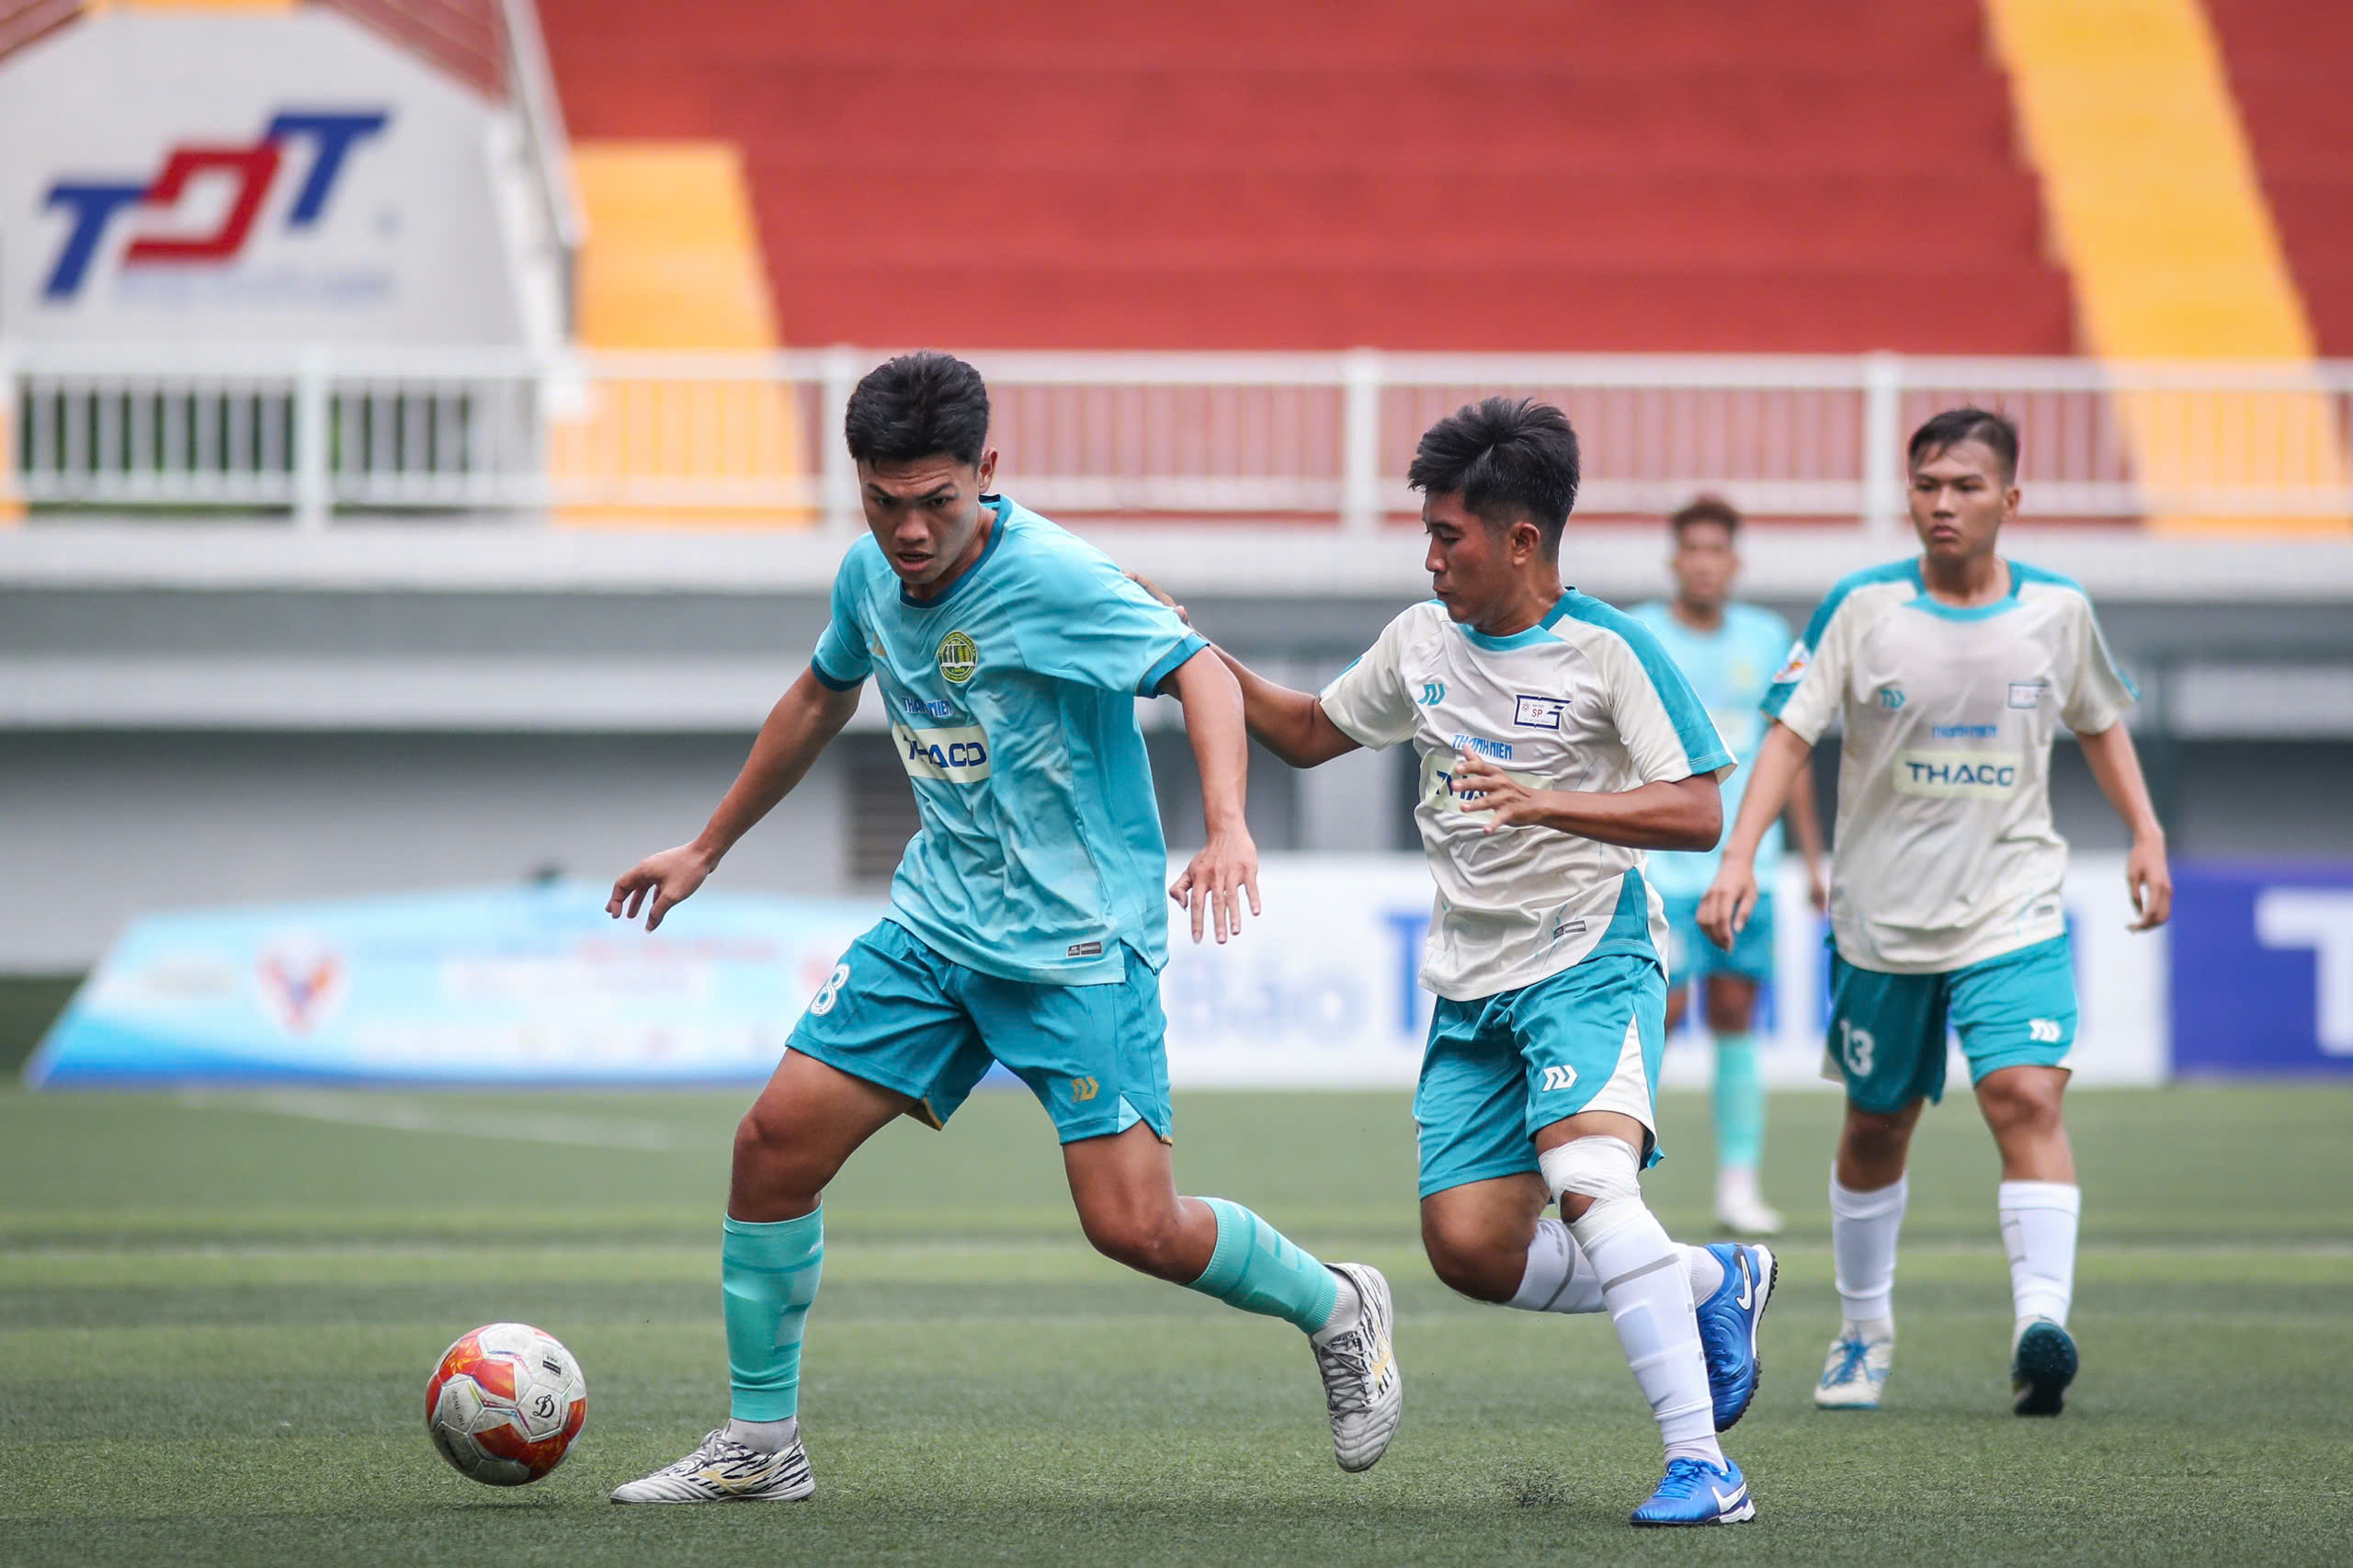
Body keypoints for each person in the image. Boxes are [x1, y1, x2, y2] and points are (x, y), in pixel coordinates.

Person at [602, 352, 1401, 1505]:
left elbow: (1202, 675)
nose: (911, 530)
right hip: (937, 925)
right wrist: (706, 846)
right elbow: (820, 694)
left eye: (937, 501)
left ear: (988, 470)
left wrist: (1226, 826)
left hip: (1075, 943)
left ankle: (1337, 1300)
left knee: (1135, 1226)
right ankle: (761, 1443)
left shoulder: (1058, 578)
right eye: (885, 503)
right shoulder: (867, 577)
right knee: (772, 1146)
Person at [1145, 397, 1771, 1528]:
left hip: (1588, 953)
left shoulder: (1610, 649)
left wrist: (1552, 802)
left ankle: (1702, 1465)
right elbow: (1303, 730)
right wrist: (1189, 648)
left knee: (1589, 1187)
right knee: (1471, 1248)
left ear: (1521, 539)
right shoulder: (1417, 642)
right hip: (1471, 985)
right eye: (1429, 534)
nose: (1430, 556)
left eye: (1449, 535)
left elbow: (1694, 808)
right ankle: (1708, 1279)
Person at [1699, 406, 2172, 1417]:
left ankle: (2038, 1325)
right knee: (1876, 1124)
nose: (1941, 503)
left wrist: (2145, 831)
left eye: (1963, 485)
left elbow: (2099, 720)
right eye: (1925, 485)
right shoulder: (1860, 607)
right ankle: (1862, 1328)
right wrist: (1739, 854)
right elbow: (1787, 734)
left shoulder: (2057, 610)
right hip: (1882, 920)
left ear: (2011, 496)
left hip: (2013, 905)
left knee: (2026, 1099)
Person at [1630, 497, 1829, 1236]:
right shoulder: (1641, 631)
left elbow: (1791, 750)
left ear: (1734, 562)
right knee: (1663, 1016)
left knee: (1737, 1015)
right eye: (1694, 549)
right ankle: (1622, 1180)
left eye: (1719, 550)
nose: (1706, 563)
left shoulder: (1767, 637)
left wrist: (1813, 860)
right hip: (1660, 868)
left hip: (1748, 867)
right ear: (1675, 559)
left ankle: (1739, 1186)